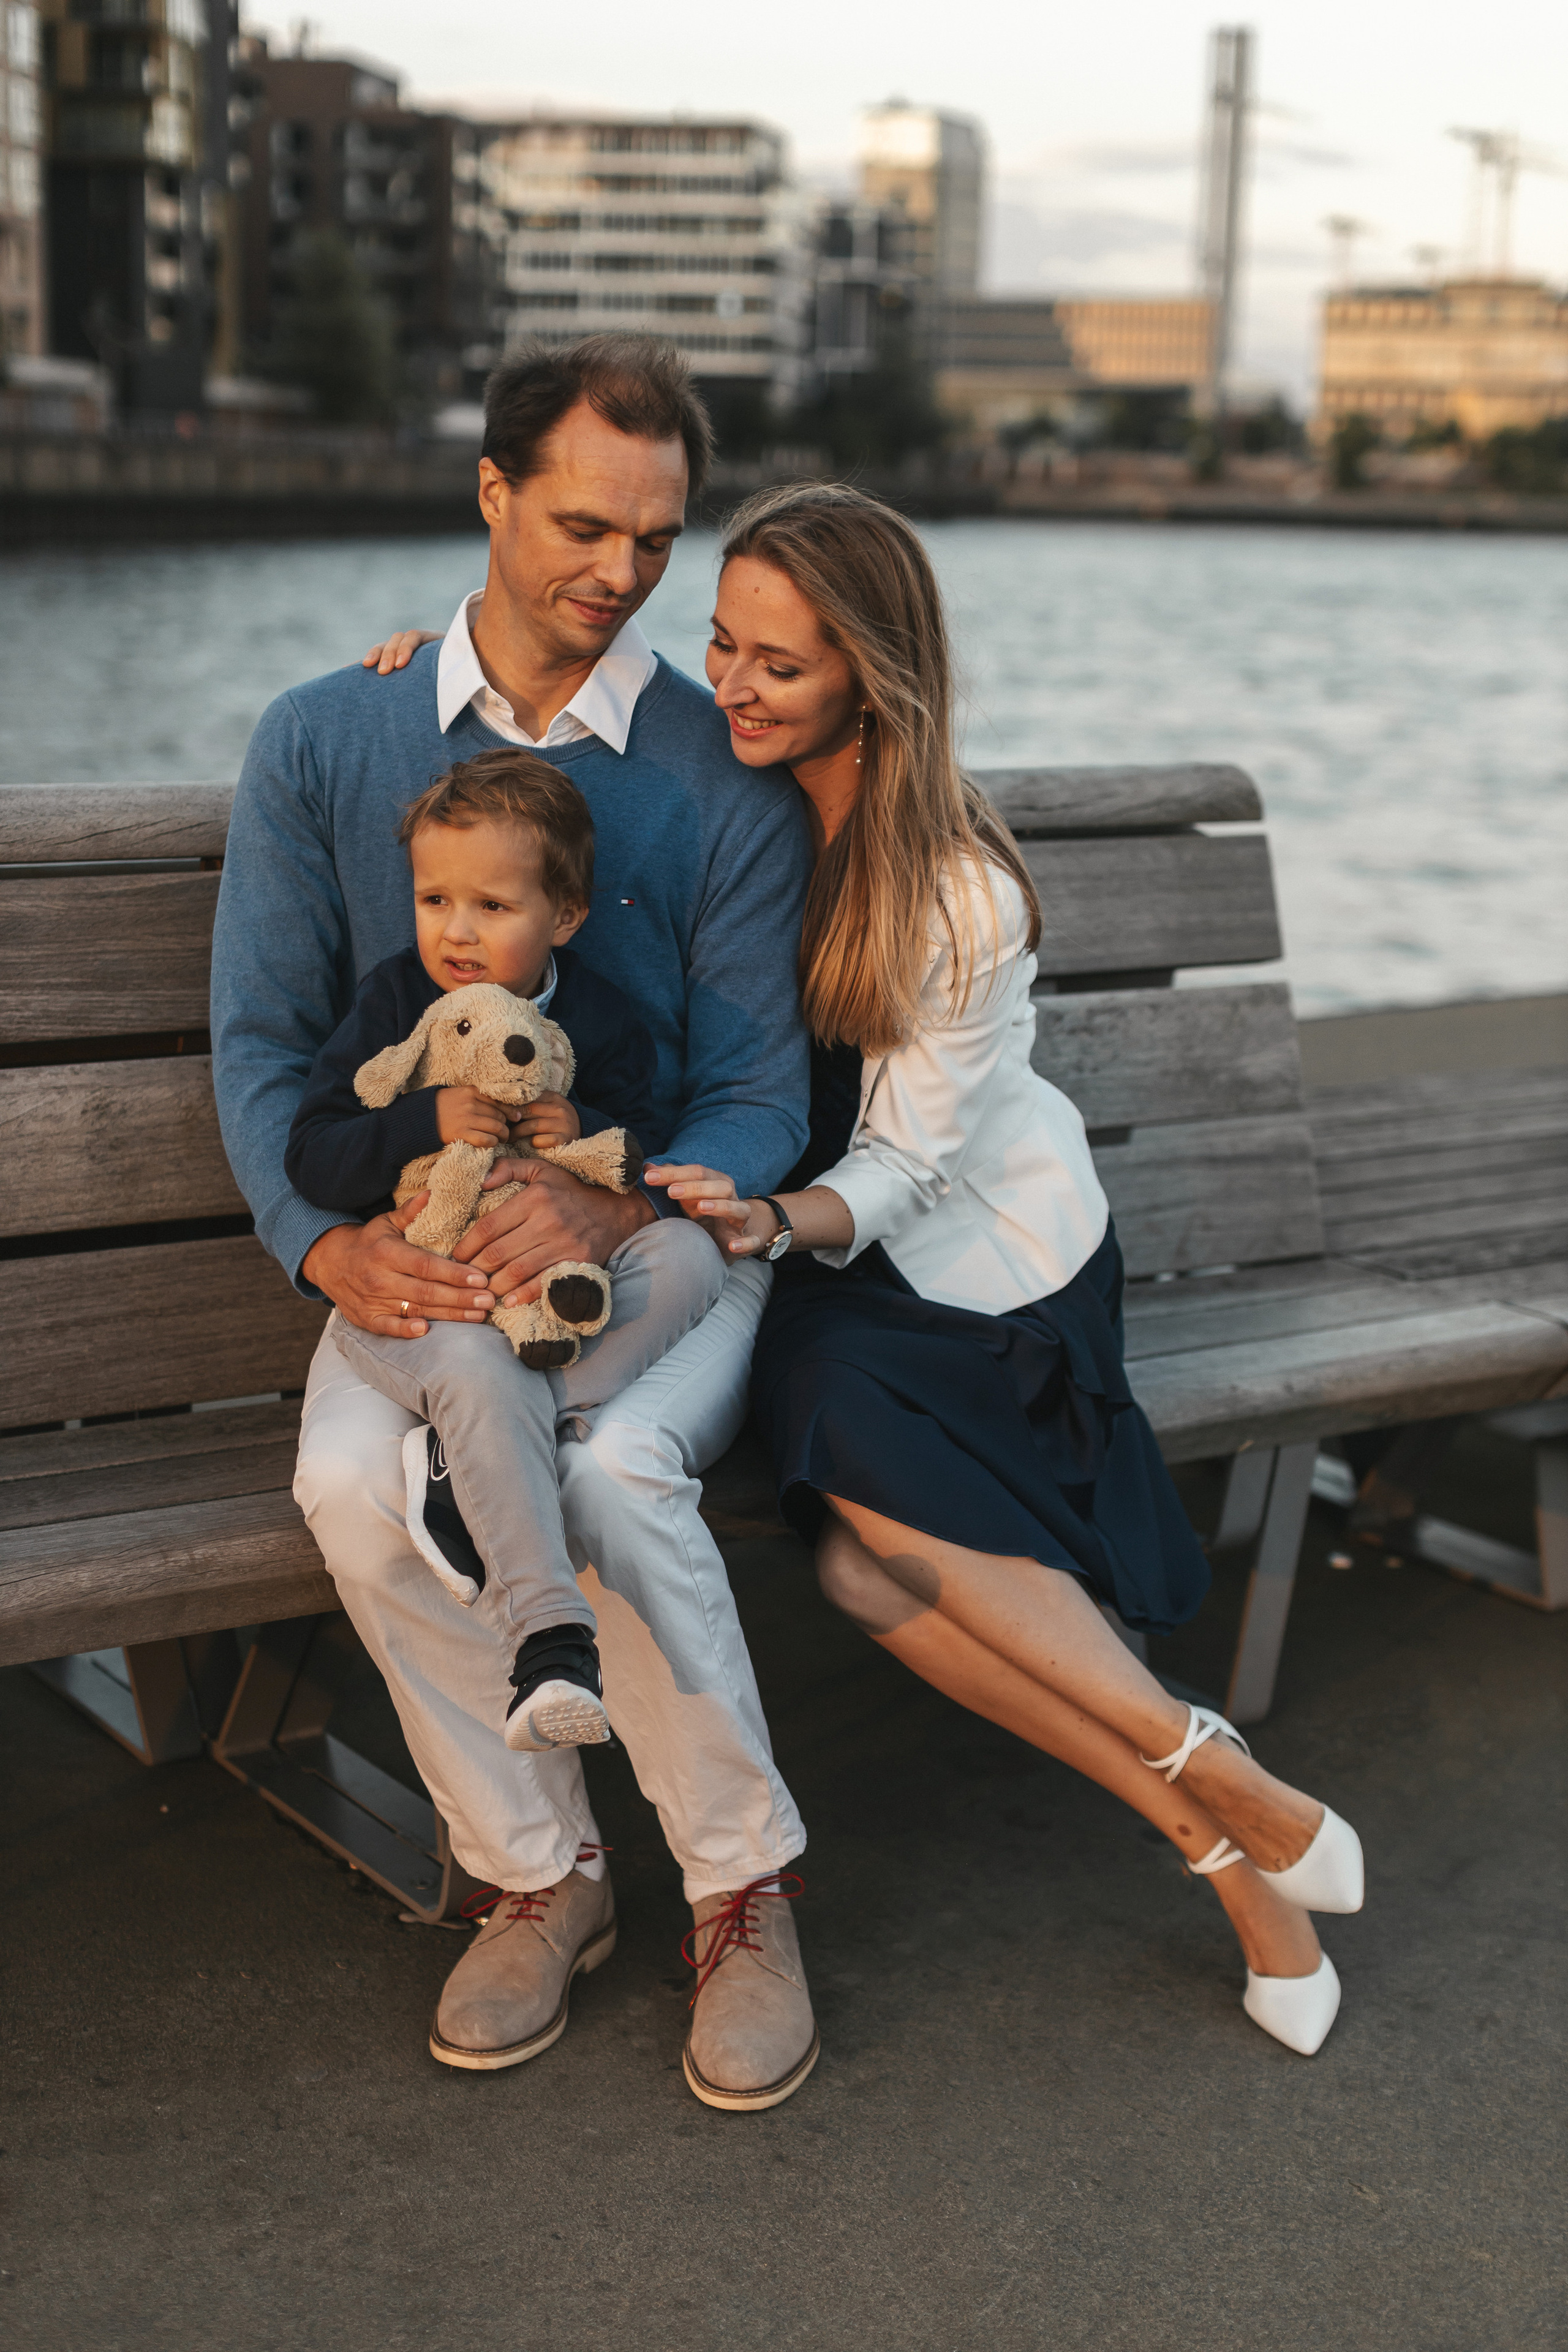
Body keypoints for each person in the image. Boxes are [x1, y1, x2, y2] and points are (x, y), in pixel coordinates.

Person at [650, 481, 1365, 2060]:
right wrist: (416, 662)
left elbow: (902, 1173)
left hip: (972, 1264)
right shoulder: (727, 772)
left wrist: (767, 1225)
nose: (733, 684)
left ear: (869, 669)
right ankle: (1224, 1815)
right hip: (823, 1263)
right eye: (719, 642)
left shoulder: (955, 889)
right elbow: (564, 734)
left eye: (779, 660)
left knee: (837, 1463)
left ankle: (1217, 1805)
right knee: (844, 1561)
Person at [211, 335, 820, 2111]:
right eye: (580, 523)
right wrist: (324, 1249)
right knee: (344, 1483)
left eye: (655, 538)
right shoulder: (331, 735)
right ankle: (538, 1868)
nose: (620, 573)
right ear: (488, 493)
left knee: (611, 1465)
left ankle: (742, 1889)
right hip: (409, 1242)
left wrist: (610, 1185)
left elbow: (767, 1091)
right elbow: (263, 1046)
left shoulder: (722, 773)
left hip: (651, 1256)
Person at [284, 750, 727, 1759]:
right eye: (435, 899)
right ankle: (551, 1643)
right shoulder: (395, 1008)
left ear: (564, 915)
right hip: (430, 1302)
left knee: (695, 1261)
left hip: (546, 1306)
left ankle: (464, 1463)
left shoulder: (604, 1016)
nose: (458, 930)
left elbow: (640, 1153)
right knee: (481, 1363)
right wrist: (420, 1122)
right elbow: (313, 1154)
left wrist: (590, 1128)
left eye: (491, 903)